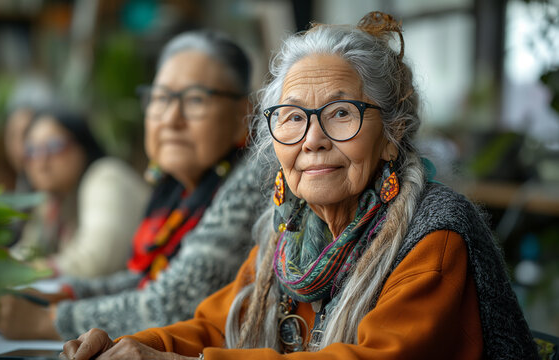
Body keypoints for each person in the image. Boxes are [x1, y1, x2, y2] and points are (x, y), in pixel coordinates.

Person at [61, 12, 538, 360]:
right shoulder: (285, 234)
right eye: (291, 118)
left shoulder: (432, 236)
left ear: (391, 136)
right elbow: (217, 326)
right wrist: (131, 346)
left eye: (341, 114)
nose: (312, 140)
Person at [0, 29, 264, 341]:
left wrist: (46, 321)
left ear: (243, 114)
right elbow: (144, 280)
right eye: (161, 98)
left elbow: (173, 303)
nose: (171, 118)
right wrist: (64, 295)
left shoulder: (252, 178)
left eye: (195, 99)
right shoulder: (178, 190)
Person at [8, 110, 150, 278]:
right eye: (31, 150)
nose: (41, 162)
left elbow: (95, 261)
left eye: (54, 146)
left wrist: (30, 271)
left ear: (82, 146)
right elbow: (29, 251)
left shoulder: (106, 176)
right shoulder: (52, 199)